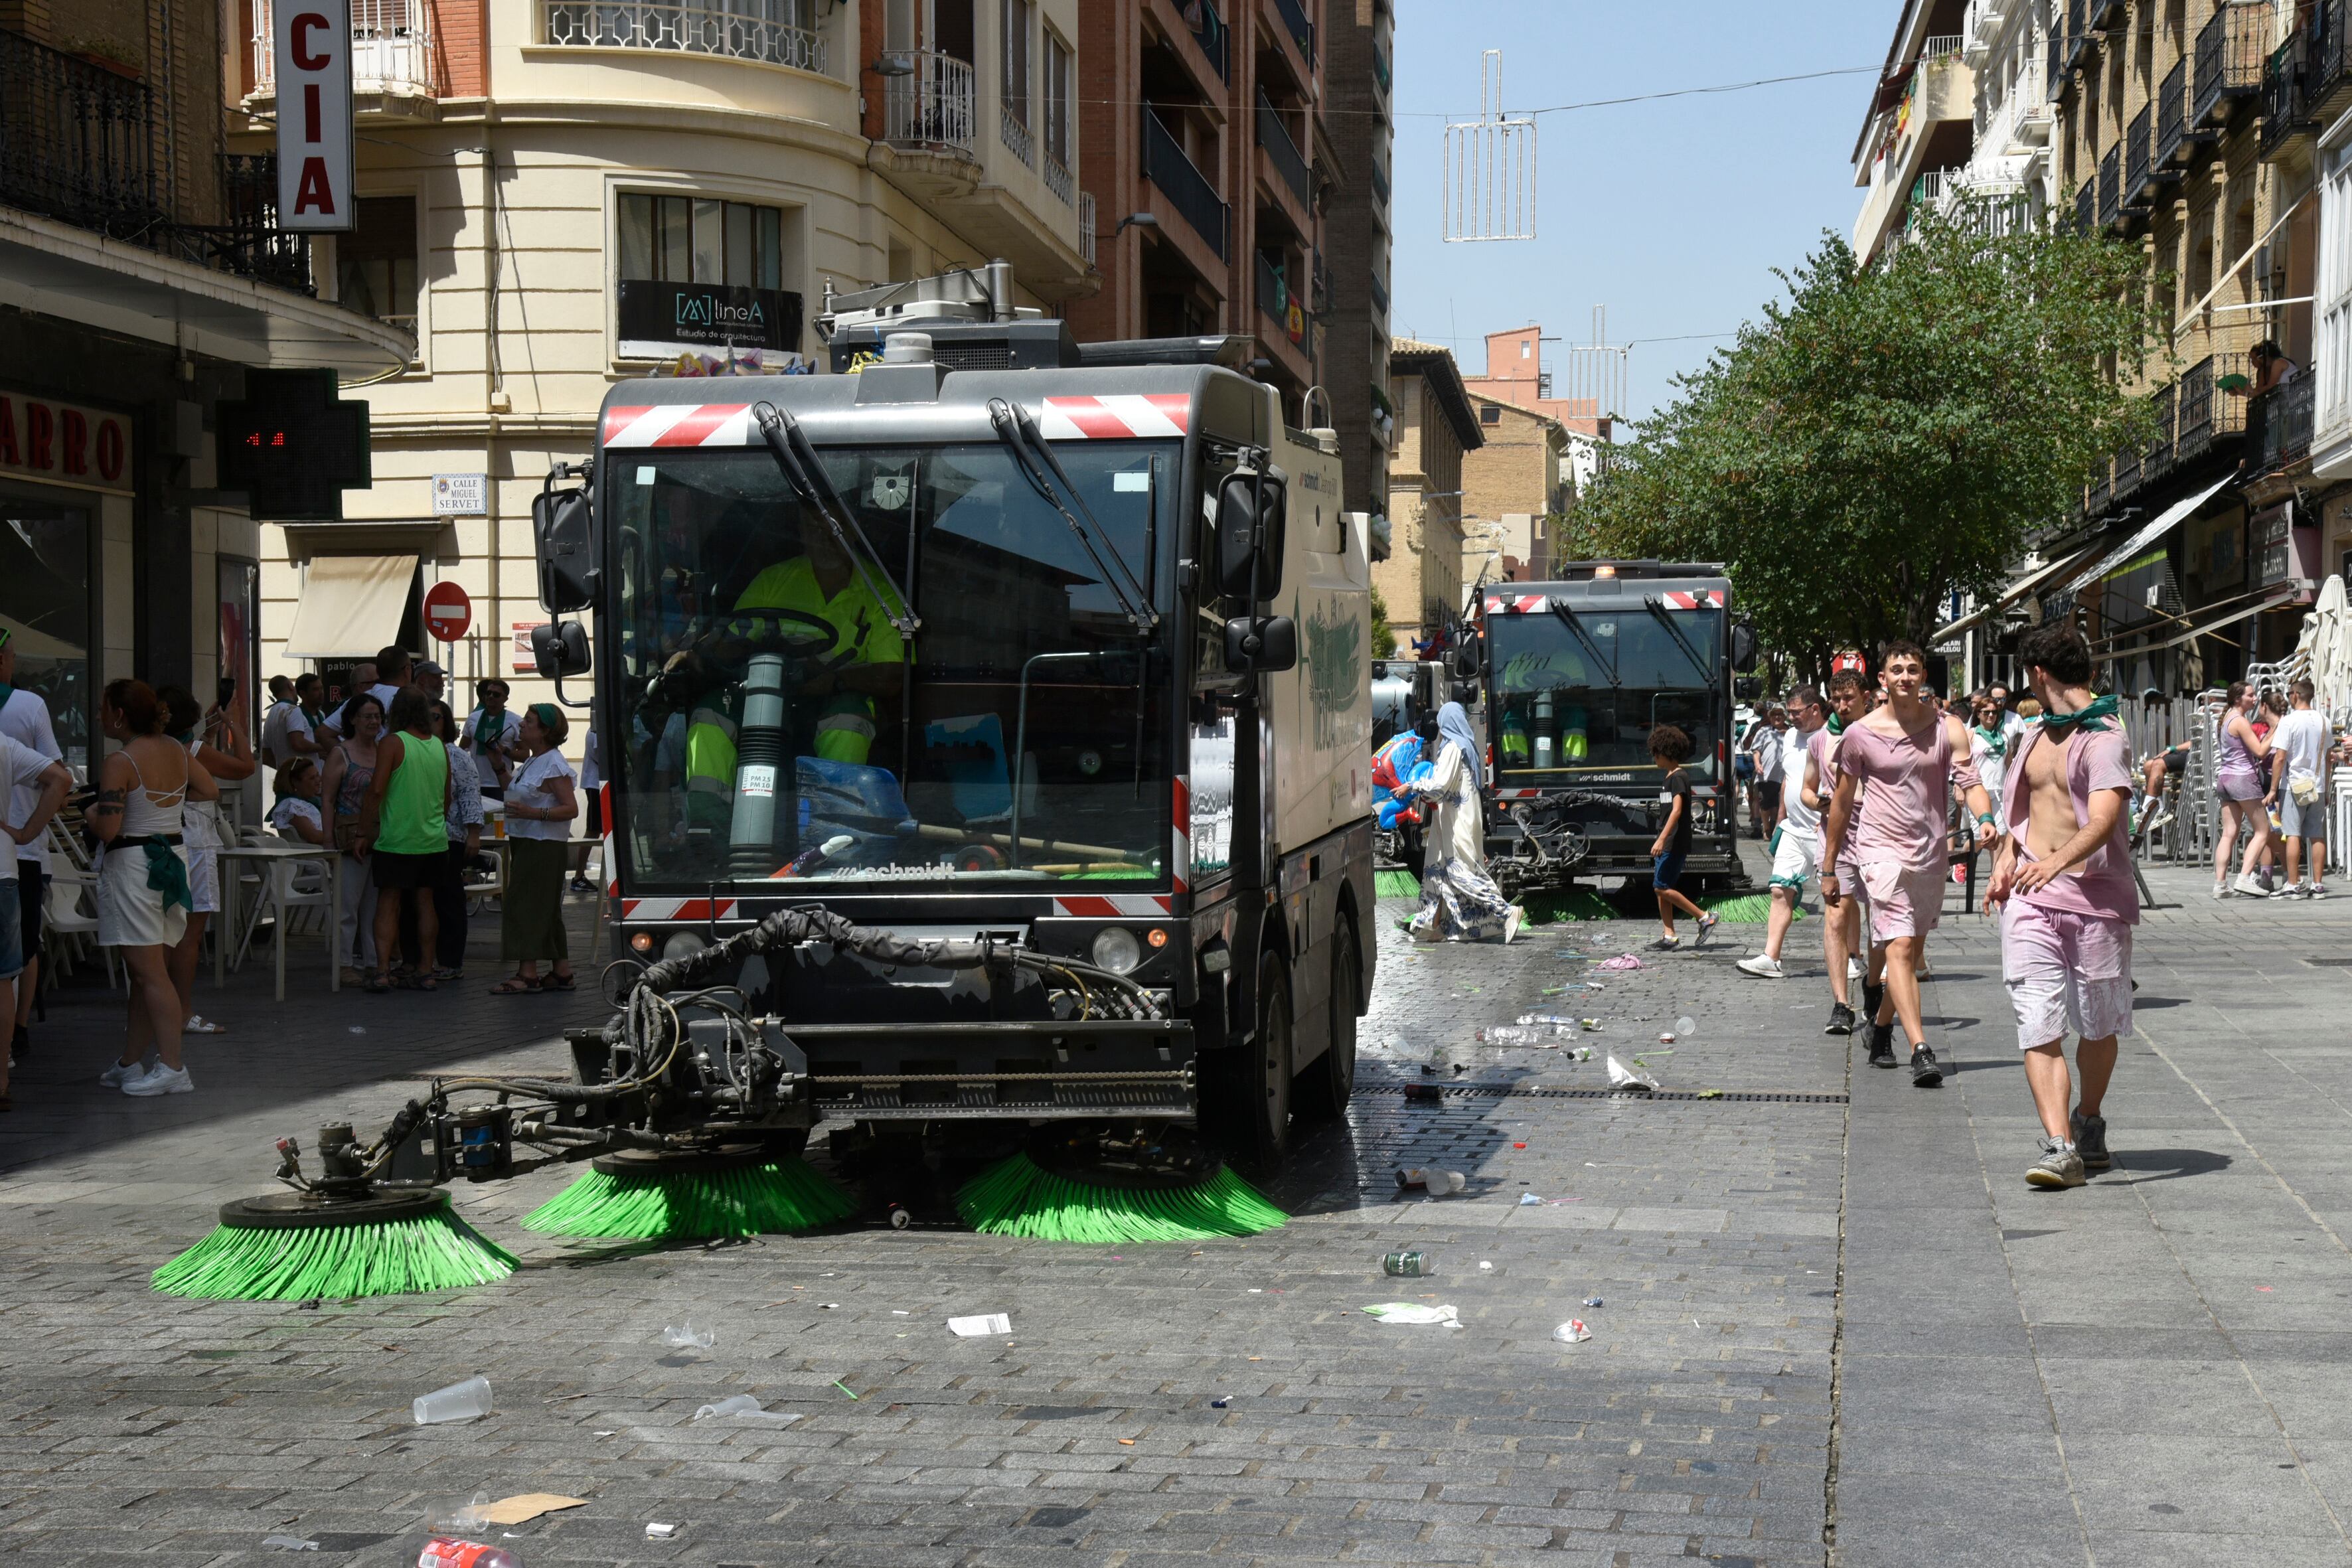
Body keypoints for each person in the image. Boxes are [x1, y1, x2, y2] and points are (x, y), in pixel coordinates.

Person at [1986, 620, 2137, 1190]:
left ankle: (2088, 1118)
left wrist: (2053, 862)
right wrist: (2007, 859)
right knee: (2036, 1021)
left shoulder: (2103, 738)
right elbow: (2016, 816)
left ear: (2037, 673)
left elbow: (2102, 820)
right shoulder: (2028, 734)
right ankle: (2059, 1146)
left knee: (2097, 1026)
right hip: (2030, 900)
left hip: (2094, 902)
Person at [1820, 641, 1996, 1085]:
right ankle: (1920, 1048)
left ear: (1921, 675)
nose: (1904, 676)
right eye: (1896, 669)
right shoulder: (1859, 734)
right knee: (1898, 948)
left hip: (1929, 852)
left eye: (1912, 669)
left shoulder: (1947, 727)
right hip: (1879, 852)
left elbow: (1970, 782)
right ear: (1882, 679)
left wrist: (1986, 818)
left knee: (1911, 950)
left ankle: (1879, 1028)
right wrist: (1828, 867)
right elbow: (1840, 804)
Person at [680, 516, 912, 833]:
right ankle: (707, 833)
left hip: (834, 698)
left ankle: (833, 831)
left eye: (834, 526)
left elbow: (890, 675)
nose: (823, 535)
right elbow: (730, 639)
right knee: (710, 714)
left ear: (854, 531)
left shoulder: (880, 592)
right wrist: (696, 652)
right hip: (764, 692)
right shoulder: (775, 579)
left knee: (848, 721)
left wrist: (835, 680)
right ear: (801, 531)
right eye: (813, 526)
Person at [90, 680, 213, 1097]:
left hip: (134, 865)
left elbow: (107, 828)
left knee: (149, 973)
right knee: (147, 973)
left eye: (103, 708)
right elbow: (209, 789)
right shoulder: (176, 749)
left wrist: (93, 812)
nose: (98, 715)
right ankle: (130, 1062)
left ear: (119, 716)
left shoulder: (120, 760)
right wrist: (167, 807)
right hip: (170, 860)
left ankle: (174, 1067)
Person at [159, 684, 256, 1037]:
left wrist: (212, 730)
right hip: (195, 840)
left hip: (166, 838)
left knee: (165, 929)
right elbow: (246, 767)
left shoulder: (159, 746)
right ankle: (182, 1011)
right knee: (190, 934)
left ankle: (160, 1009)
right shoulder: (193, 749)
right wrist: (235, 726)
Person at [355, 686, 453, 994]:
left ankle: (382, 970)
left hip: (397, 839)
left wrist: (362, 830)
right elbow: (446, 797)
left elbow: (376, 790)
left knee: (389, 902)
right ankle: (426, 970)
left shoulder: (393, 743)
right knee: (426, 903)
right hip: (434, 839)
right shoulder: (439, 745)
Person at [1404, 702, 1521, 945]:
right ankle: (1434, 927)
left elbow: (1439, 786)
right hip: (1464, 819)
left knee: (1461, 874)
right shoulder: (1467, 748)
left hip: (1458, 823)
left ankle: (1507, 912)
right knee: (1441, 873)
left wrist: (1413, 786)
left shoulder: (1452, 749)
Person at [0, 626, 62, 1067]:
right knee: (21, 951)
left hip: (15, 849)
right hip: (17, 847)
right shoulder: (29, 705)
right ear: (4, 661)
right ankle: (16, 1034)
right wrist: (26, 831)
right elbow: (58, 773)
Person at [0, 720, 68, 1112]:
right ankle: (1, 1080)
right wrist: (24, 833)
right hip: (3, 871)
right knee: (2, 978)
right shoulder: (5, 745)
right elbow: (60, 779)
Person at [1738, 688, 1827, 980]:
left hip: (1824, 830)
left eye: (1796, 712)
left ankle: (1854, 957)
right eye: (1789, 712)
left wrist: (1832, 818)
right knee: (1779, 890)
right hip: (1793, 829)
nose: (1791, 718)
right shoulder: (1790, 737)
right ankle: (1771, 957)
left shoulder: (1833, 737)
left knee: (1838, 899)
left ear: (1815, 709)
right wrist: (1779, 820)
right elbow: (1788, 779)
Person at [495, 703, 580, 992]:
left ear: (544, 731)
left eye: (528, 722)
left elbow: (571, 808)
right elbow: (517, 791)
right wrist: (498, 765)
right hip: (527, 841)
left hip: (543, 846)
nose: (521, 725)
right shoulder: (534, 760)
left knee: (525, 905)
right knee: (544, 907)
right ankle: (561, 970)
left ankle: (527, 974)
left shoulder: (553, 763)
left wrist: (534, 814)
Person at [1814, 670, 1875, 1036]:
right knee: (1836, 918)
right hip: (1836, 836)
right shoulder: (1821, 740)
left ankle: (1872, 987)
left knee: (1878, 923)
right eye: (1836, 700)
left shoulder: (1882, 733)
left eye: (1849, 698)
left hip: (1878, 837)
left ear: (1865, 696)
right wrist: (1817, 801)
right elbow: (1808, 787)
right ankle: (1841, 1004)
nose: (1841, 706)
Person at [320, 692, 385, 981]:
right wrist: (328, 840)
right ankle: (344, 964)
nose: (374, 721)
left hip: (382, 837)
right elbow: (327, 799)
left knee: (375, 907)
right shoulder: (341, 753)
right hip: (348, 839)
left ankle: (372, 961)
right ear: (353, 720)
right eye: (367, 716)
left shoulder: (385, 750)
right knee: (347, 907)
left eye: (377, 716)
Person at [1647, 724, 1719, 951]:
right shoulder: (1669, 777)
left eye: (1655, 753)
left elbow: (1677, 811)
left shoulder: (1678, 778)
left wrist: (1662, 839)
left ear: (1665, 752)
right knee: (1663, 885)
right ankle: (1669, 936)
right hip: (1668, 838)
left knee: (1661, 887)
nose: (1654, 757)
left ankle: (1705, 917)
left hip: (1673, 841)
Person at [430, 700, 485, 978]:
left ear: (446, 721)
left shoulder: (456, 755)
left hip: (450, 836)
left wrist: (474, 832)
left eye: (435, 717)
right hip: (421, 836)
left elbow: (469, 795)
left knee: (449, 899)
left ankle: (451, 961)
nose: (429, 721)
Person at [2211, 680, 2274, 899]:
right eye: (2251, 695)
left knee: (2229, 833)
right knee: (2263, 830)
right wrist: (2276, 728)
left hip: (2225, 778)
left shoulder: (2225, 717)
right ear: (2238, 699)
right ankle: (2244, 877)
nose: (2255, 698)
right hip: (2242, 779)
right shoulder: (2239, 721)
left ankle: (2220, 884)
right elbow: (2260, 751)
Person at [2270, 678, 2331, 899]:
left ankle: (2293, 884)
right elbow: (2329, 758)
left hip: (2294, 785)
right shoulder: (2325, 720)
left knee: (2292, 833)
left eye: (2289, 694)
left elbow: (2280, 757)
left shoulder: (2289, 721)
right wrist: (2327, 788)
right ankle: (2318, 885)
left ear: (2295, 694)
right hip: (2318, 785)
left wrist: (2273, 789)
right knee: (2317, 835)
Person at [320, 647, 410, 740]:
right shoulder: (410, 698)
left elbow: (323, 732)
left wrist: (347, 754)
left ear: (377, 672)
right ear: (407, 670)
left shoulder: (359, 700)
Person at [462, 678, 520, 799]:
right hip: (474, 782)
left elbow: (525, 755)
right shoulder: (473, 718)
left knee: (502, 818)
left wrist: (505, 750)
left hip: (502, 783)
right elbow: (462, 749)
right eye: (488, 693)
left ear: (505, 698)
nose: (491, 696)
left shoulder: (515, 721)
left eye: (496, 694)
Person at [268, 757, 329, 846]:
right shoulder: (292, 805)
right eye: (312, 778)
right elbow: (313, 837)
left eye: (318, 775)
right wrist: (343, 837)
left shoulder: (309, 801)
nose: (319, 781)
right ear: (295, 782)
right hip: (319, 856)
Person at [571, 726, 602, 892]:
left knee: (595, 830)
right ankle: (578, 876)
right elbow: (600, 754)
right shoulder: (596, 729)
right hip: (597, 784)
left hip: (600, 783)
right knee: (593, 830)